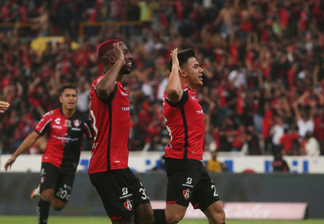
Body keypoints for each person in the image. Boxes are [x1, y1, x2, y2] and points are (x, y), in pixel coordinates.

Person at [153, 48, 226, 224]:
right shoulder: (179, 94)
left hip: (194, 163)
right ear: (182, 72)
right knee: (173, 216)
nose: (201, 70)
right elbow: (172, 90)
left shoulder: (190, 95)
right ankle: (130, 221)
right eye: (196, 66)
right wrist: (175, 65)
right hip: (182, 162)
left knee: (218, 215)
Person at [4, 85, 94, 224]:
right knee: (47, 194)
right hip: (51, 159)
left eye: (73, 96)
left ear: (77, 99)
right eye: (67, 96)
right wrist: (15, 156)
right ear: (61, 99)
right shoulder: (50, 116)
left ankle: (43, 186)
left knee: (58, 206)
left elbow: (94, 140)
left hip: (70, 164)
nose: (71, 98)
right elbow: (33, 137)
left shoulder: (84, 120)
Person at [89, 40, 154, 224]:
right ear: (112, 58)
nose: (130, 56)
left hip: (120, 167)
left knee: (146, 214)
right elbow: (102, 89)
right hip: (106, 167)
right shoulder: (101, 83)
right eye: (125, 53)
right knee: (126, 221)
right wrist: (119, 62)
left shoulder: (120, 88)